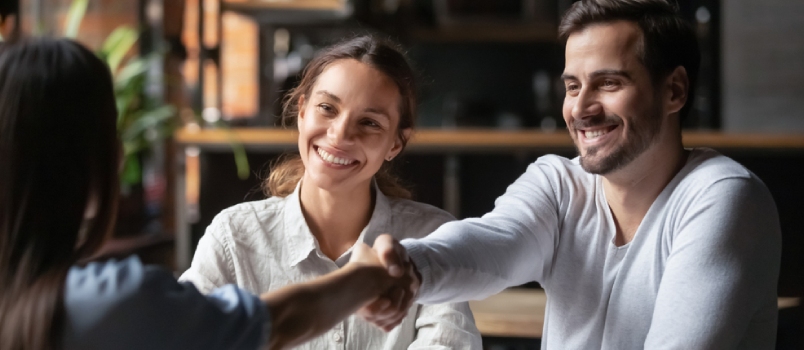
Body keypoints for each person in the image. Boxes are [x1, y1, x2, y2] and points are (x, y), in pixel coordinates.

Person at [361, 0, 782, 349]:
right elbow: (492, 244)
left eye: (609, 83)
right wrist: (410, 268)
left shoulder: (722, 196)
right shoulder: (559, 183)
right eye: (573, 86)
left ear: (674, 90)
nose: (580, 109)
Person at [0, 37, 409, 350]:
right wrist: (365, 278)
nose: (341, 133)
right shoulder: (112, 299)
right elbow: (272, 323)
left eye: (370, 122)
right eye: (112, 131)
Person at [179, 35, 482, 349]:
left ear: (395, 142)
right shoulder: (234, 237)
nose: (340, 135)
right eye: (327, 108)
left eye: (369, 122)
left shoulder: (432, 237)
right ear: (302, 112)